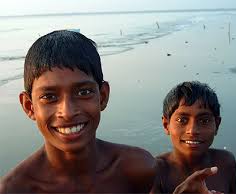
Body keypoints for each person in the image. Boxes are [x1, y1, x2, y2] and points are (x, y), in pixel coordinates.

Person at [0, 30, 218, 193]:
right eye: (49, 96)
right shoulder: (15, 189)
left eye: (83, 92)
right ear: (29, 106)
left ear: (102, 96)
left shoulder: (137, 168)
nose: (66, 112)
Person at [151, 81, 236, 194]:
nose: (192, 131)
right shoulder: (155, 172)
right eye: (182, 120)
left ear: (217, 125)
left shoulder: (225, 162)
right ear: (166, 125)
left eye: (204, 120)